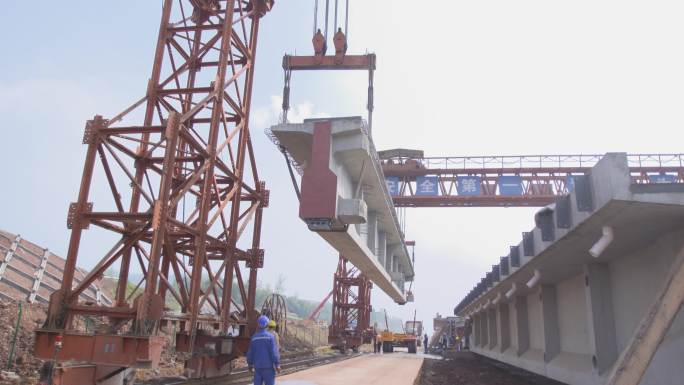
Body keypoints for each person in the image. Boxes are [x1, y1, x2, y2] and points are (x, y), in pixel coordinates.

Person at [247, 315, 281, 385]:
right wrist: (277, 364)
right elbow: (273, 352)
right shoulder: (270, 337)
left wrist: (250, 364)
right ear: (267, 325)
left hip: (258, 368)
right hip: (268, 368)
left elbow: (250, 353)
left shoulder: (254, 338)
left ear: (258, 325)